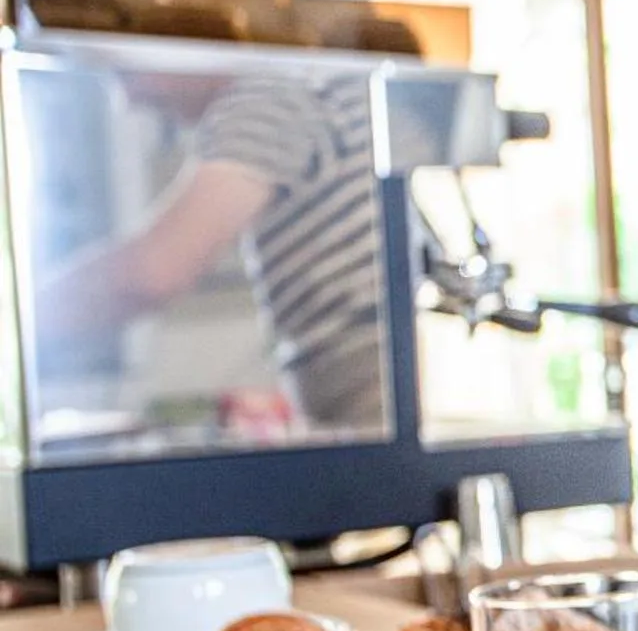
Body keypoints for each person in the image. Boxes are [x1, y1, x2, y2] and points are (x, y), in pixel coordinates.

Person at [42, 66, 389, 434]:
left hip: (373, 395)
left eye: (127, 74)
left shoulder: (268, 94)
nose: (129, 101)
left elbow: (151, 272)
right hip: (360, 397)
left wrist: (16, 321)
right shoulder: (291, 86)